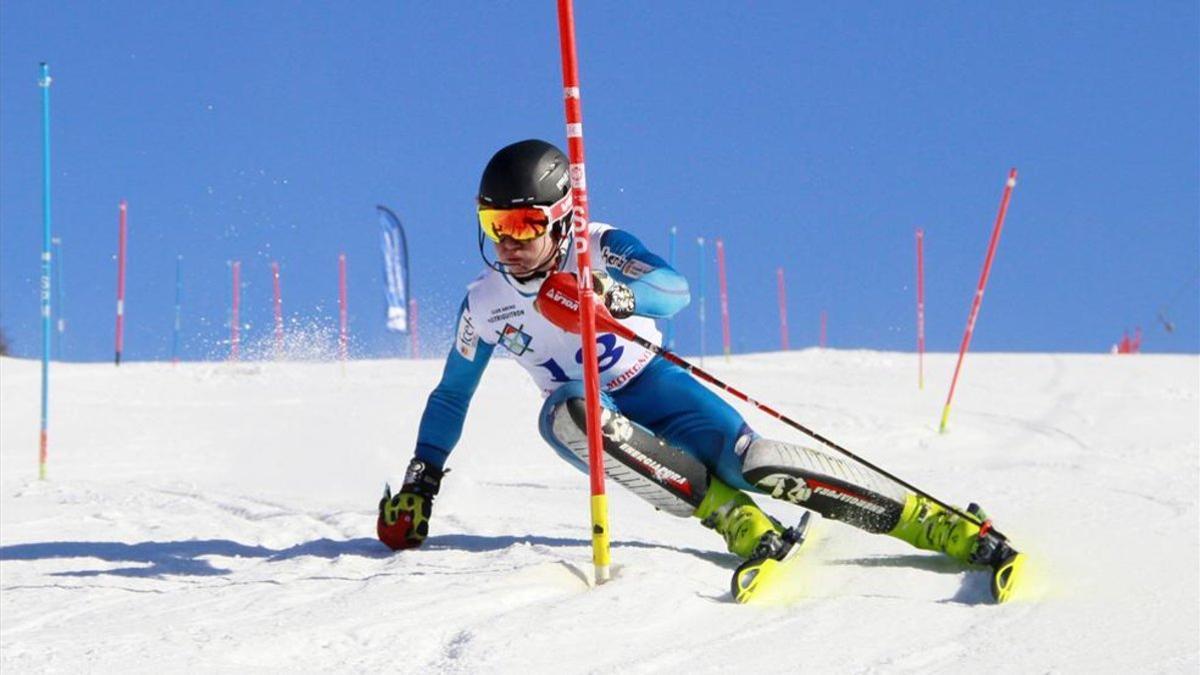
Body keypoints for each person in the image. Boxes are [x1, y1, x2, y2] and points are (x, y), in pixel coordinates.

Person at [377, 139, 1012, 588]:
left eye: (522, 224)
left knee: (755, 463)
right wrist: (420, 482)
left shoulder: (599, 246)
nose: (508, 243)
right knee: (565, 415)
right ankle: (741, 527)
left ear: (559, 217)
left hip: (657, 385)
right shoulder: (483, 304)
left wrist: (613, 295)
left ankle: (945, 528)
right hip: (595, 416)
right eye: (494, 224)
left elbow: (676, 288)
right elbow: (453, 394)